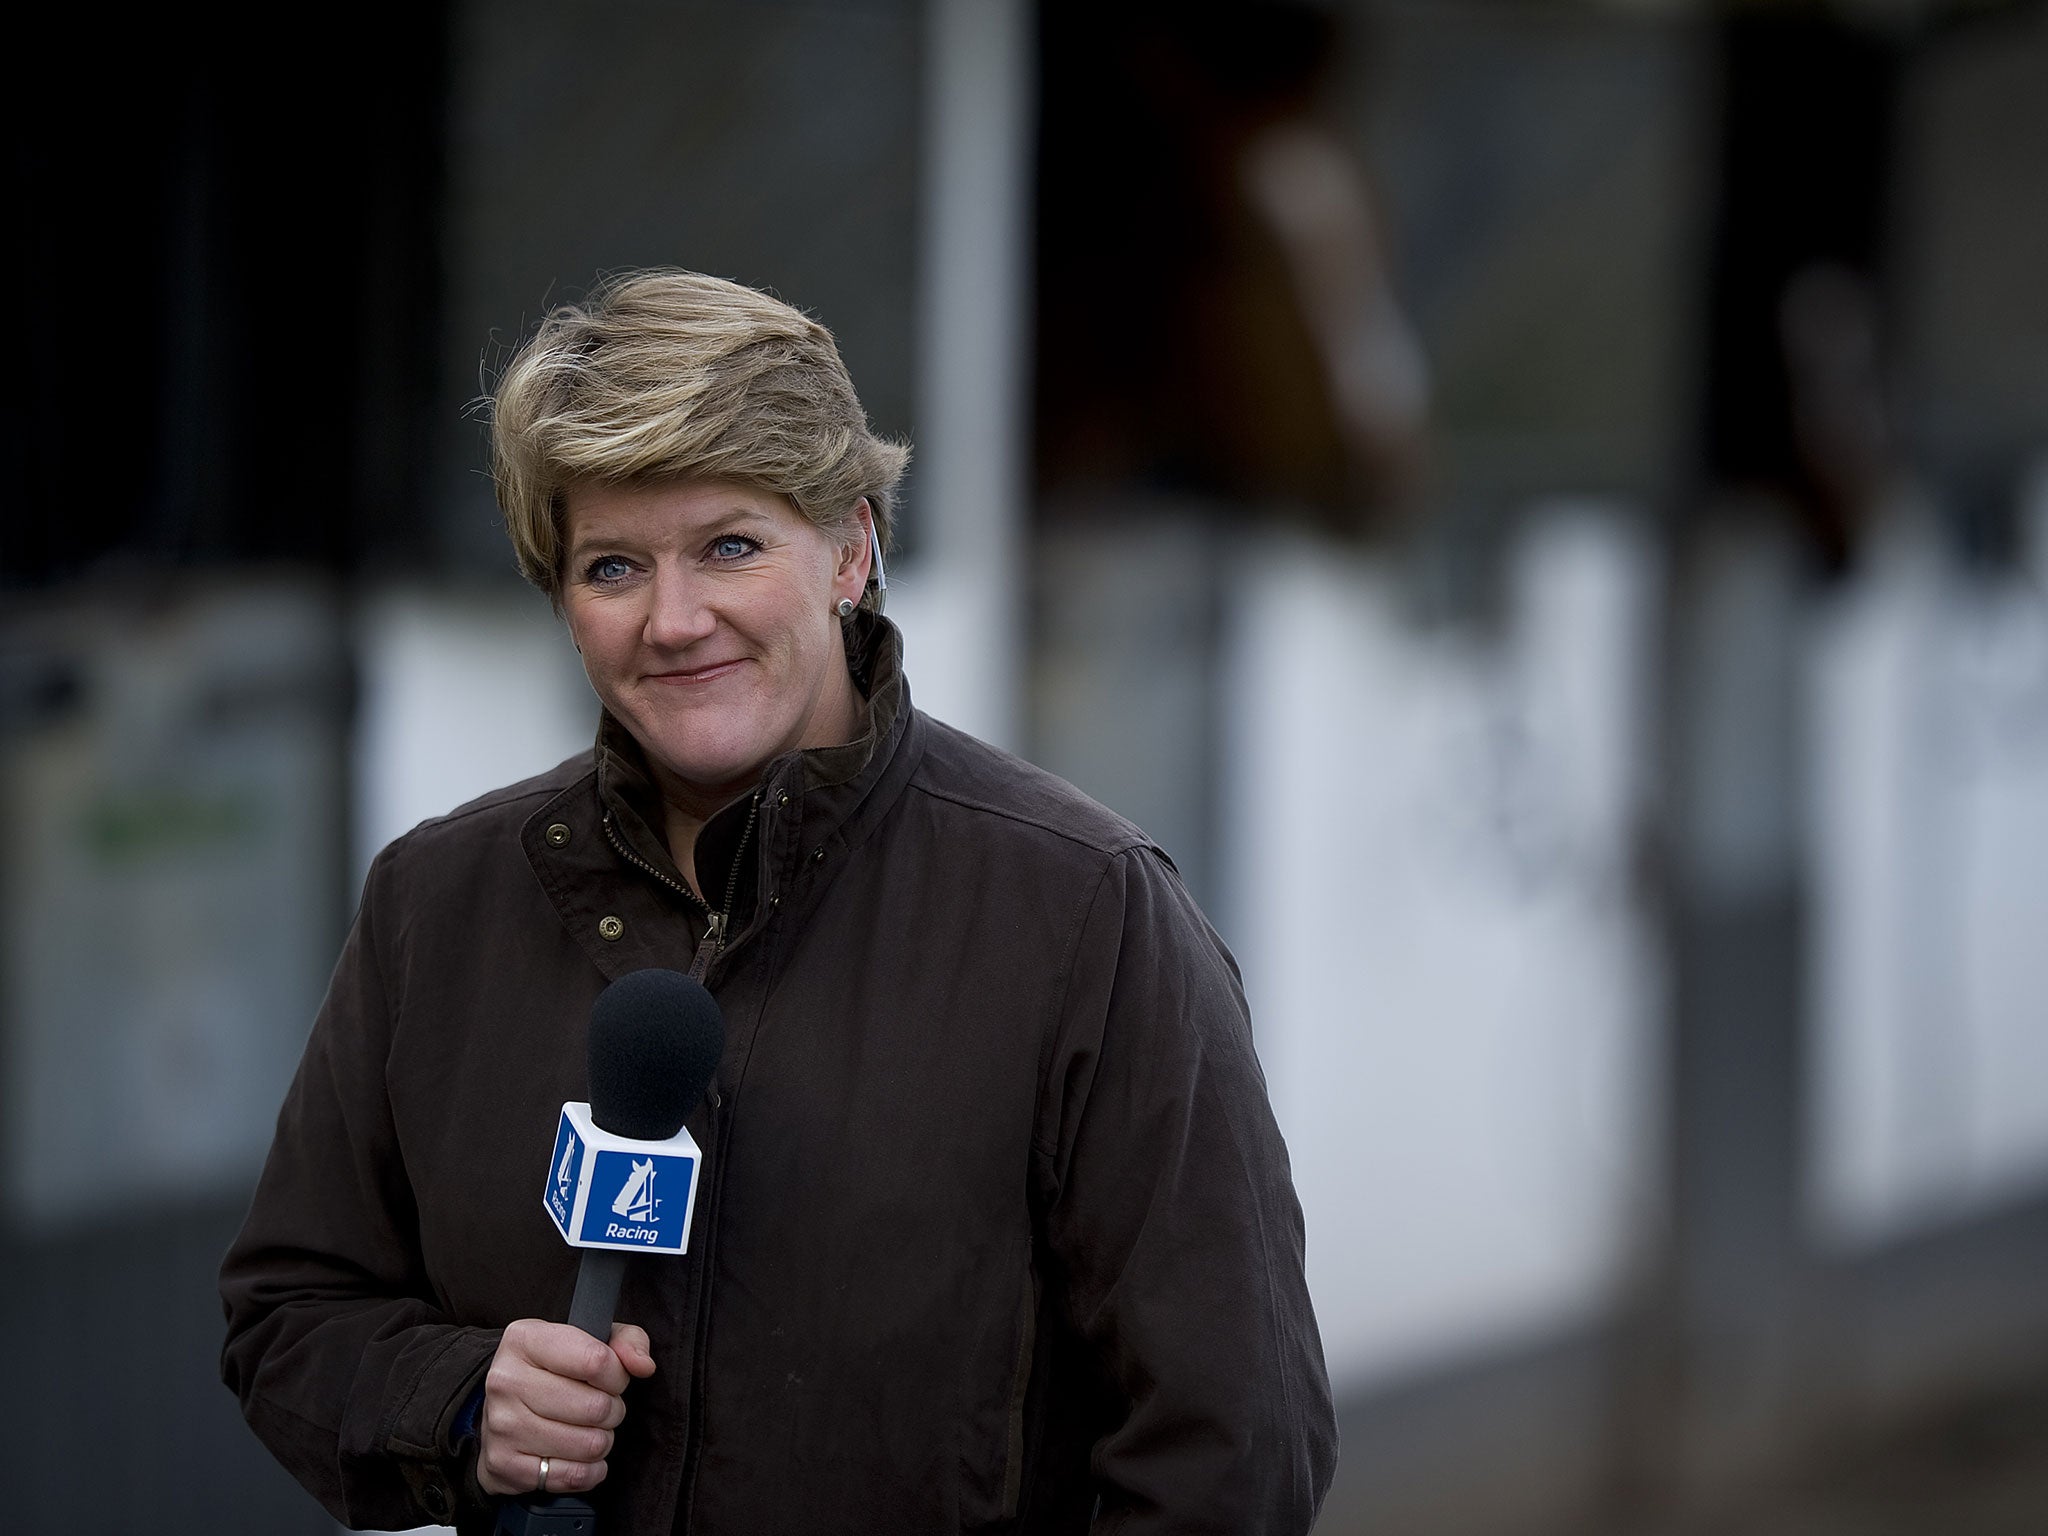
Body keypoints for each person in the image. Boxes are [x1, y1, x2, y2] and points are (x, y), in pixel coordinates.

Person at [219, 269, 1336, 1534]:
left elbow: (1231, 1451)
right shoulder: (437, 903)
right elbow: (288, 1316)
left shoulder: (1086, 916)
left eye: (731, 546)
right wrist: (465, 1398)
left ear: (850, 549)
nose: (674, 619)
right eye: (612, 566)